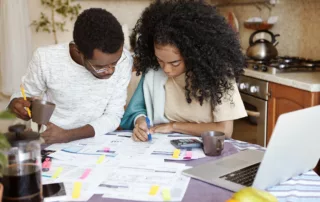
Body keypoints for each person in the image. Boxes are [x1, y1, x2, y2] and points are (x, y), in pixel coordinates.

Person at [120, 0, 247, 142]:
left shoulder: (217, 73)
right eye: (160, 60)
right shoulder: (153, 71)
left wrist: (173, 126)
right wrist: (140, 122)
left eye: (175, 62)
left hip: (207, 147)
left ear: (193, 54)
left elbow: (224, 130)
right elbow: (136, 111)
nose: (166, 69)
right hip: (162, 146)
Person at [8, 8, 133, 144]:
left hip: (96, 144)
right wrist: (16, 104)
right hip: (50, 143)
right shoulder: (45, 59)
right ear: (78, 51)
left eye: (115, 62)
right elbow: (22, 97)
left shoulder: (125, 60)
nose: (110, 70)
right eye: (100, 67)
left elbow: (113, 116)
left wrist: (67, 135)